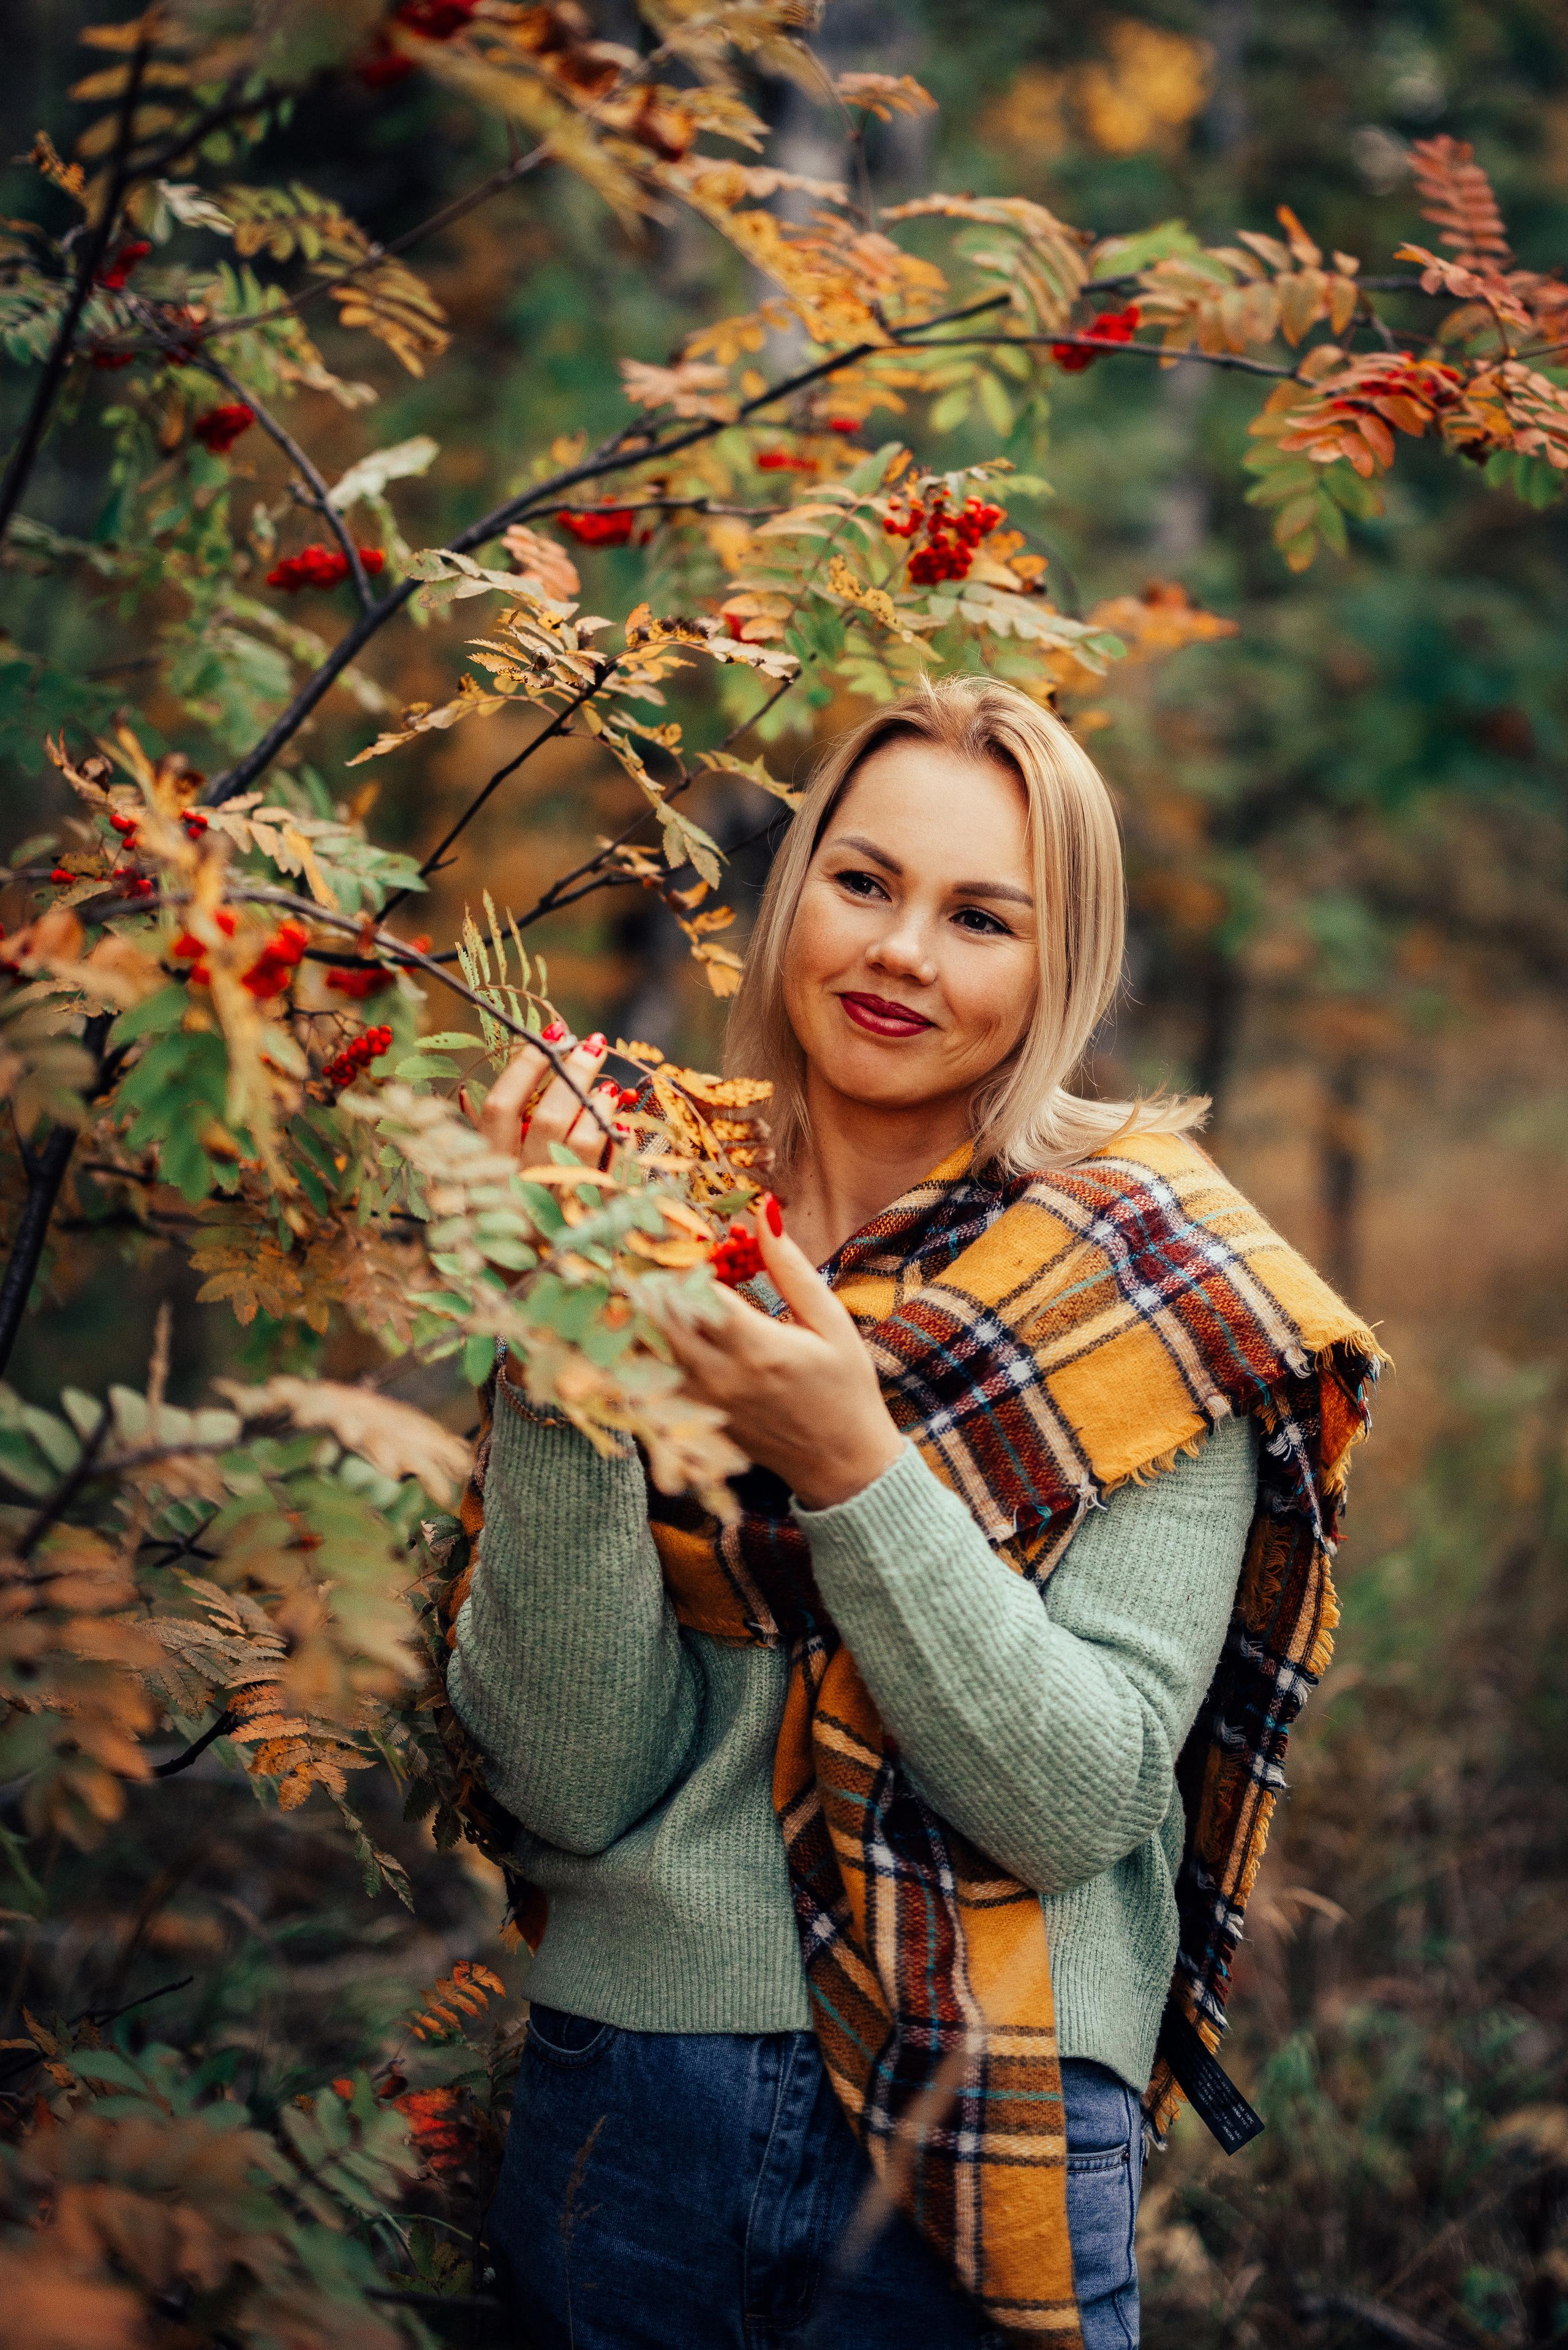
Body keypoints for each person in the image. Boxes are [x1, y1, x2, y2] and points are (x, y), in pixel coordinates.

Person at [449, 676, 1381, 2349]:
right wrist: (556, 1329)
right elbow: (573, 1785)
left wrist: (852, 1468)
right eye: (864, 882)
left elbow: (1078, 1798)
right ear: (792, 891)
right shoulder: (640, 1212)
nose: (900, 954)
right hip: (632, 2112)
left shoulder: (1154, 1285)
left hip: (997, 2121)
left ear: (1059, 969)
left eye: (981, 918)